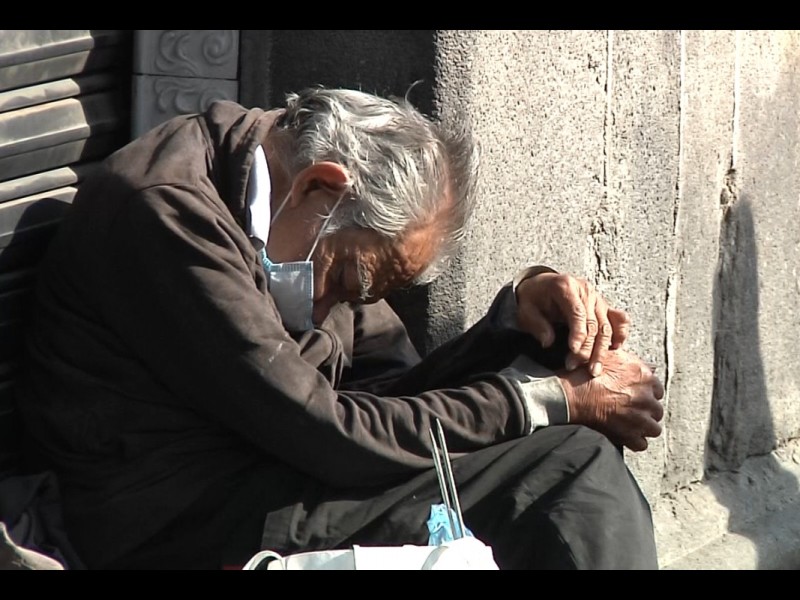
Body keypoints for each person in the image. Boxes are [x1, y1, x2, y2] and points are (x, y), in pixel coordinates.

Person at [14, 86, 664, 570]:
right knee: (562, 470)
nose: (333, 310)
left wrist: (511, 329)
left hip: (267, 471)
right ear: (322, 188)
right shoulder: (169, 216)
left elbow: (385, 394)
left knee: (563, 464)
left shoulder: (293, 208)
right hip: (172, 522)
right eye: (349, 284)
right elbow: (327, 429)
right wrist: (540, 401)